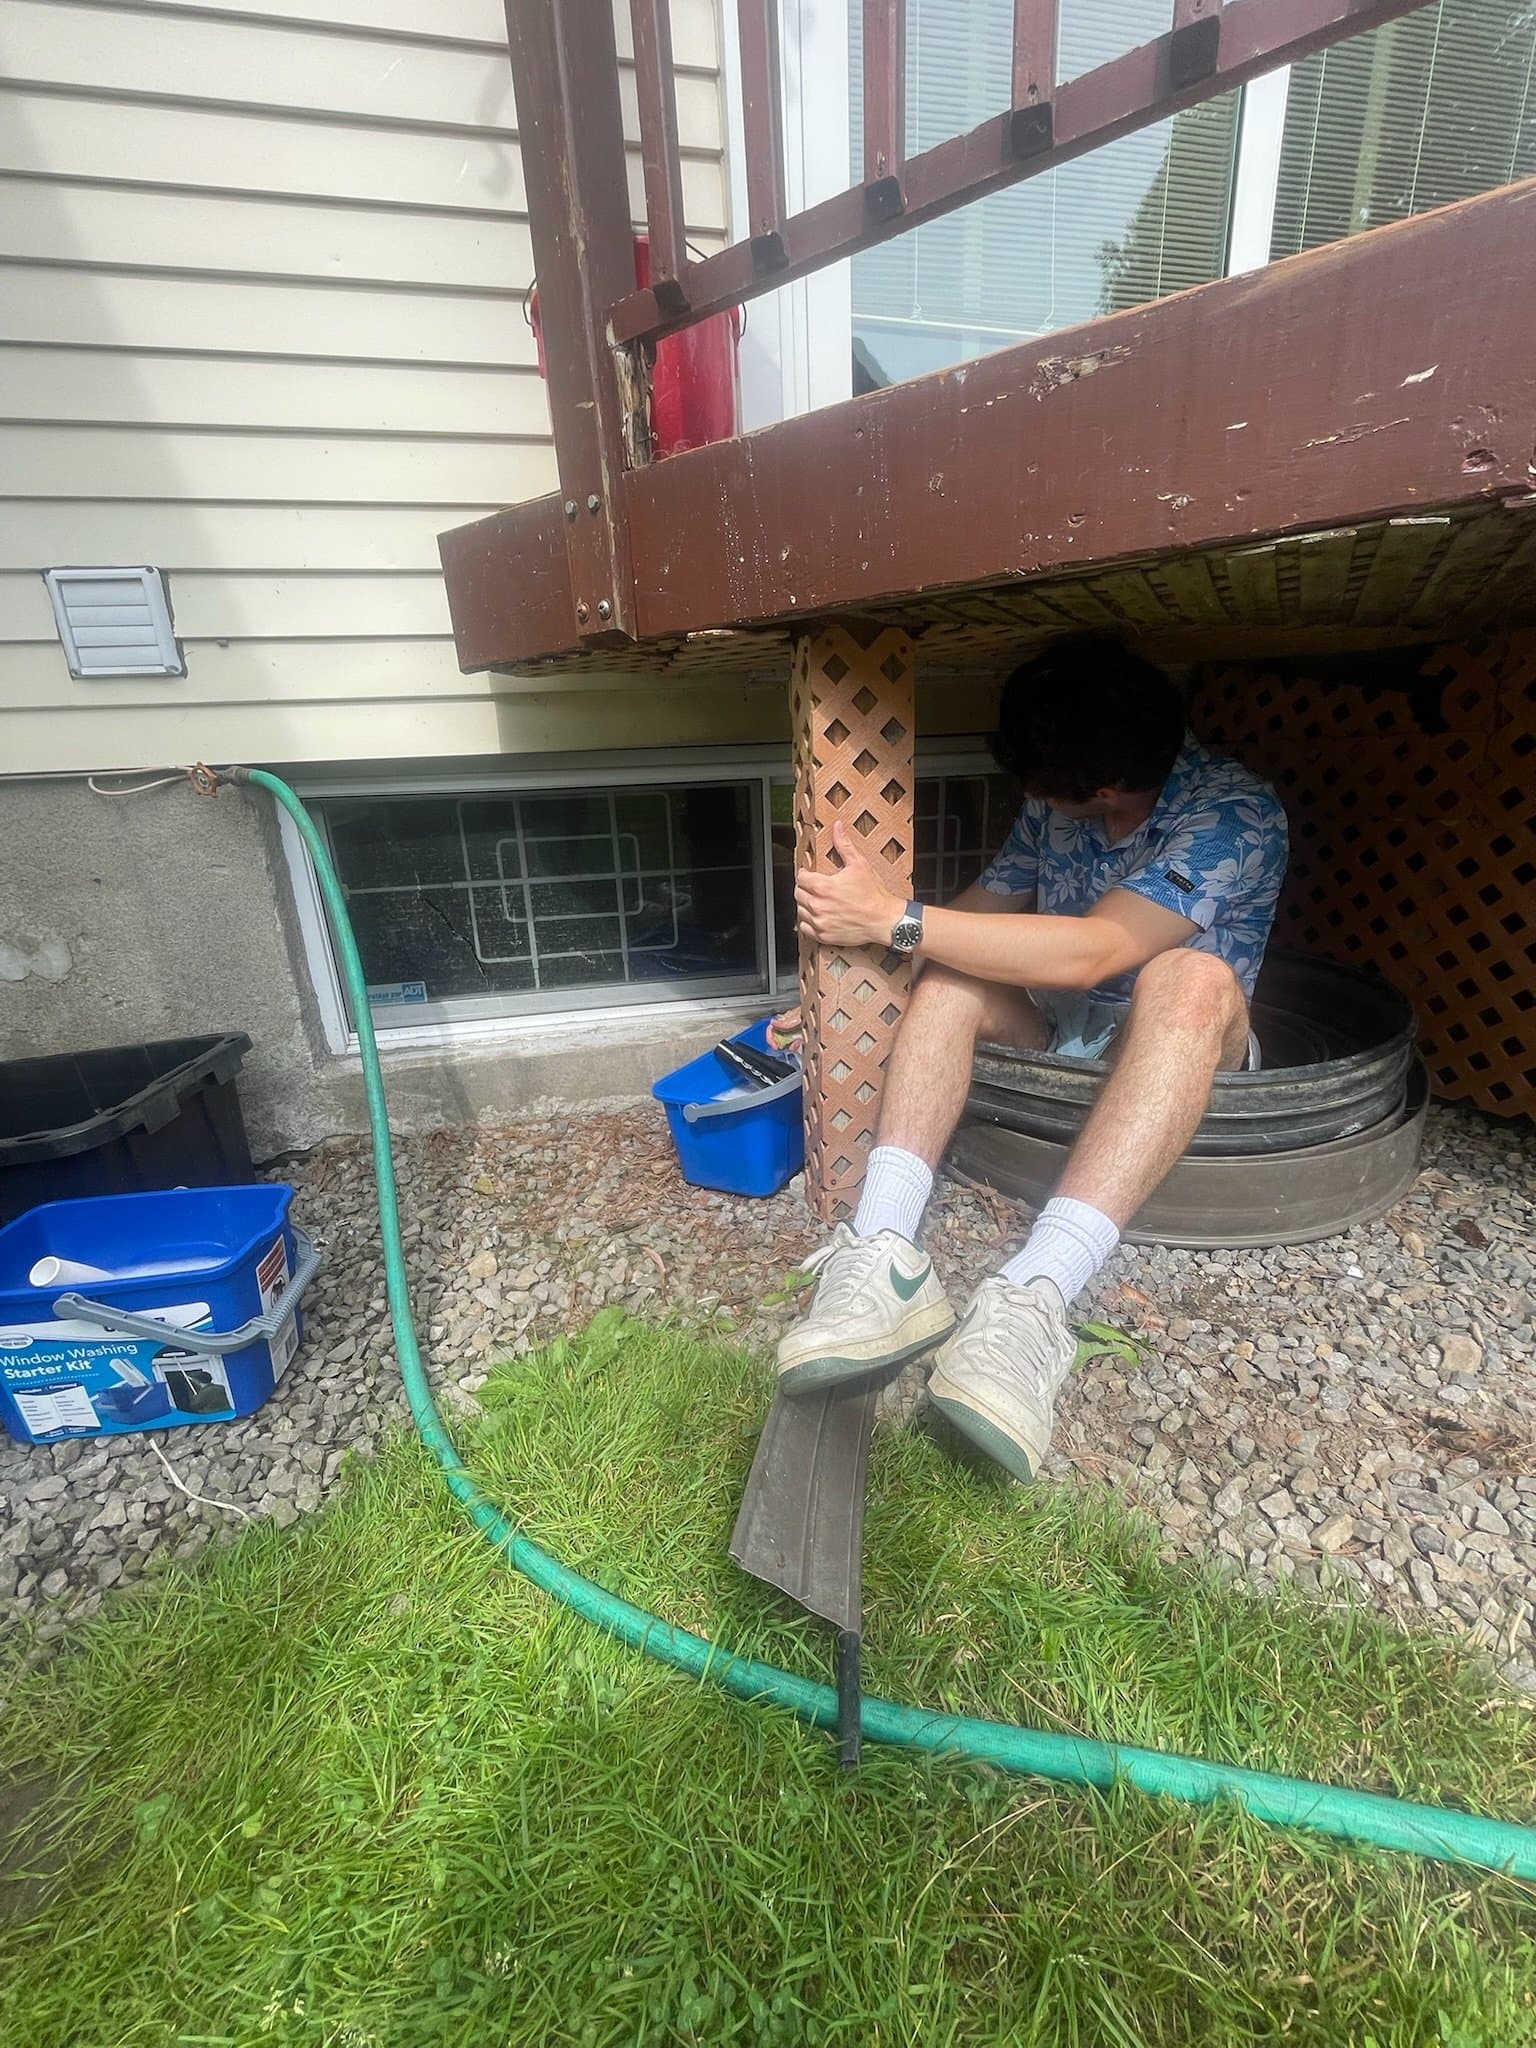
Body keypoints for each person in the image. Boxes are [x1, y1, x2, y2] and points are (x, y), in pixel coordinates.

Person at [774, 635, 1288, 1483]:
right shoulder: (1064, 802)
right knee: (951, 973)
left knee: (1188, 978)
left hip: (1180, 1039)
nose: (1028, 795)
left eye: (1043, 784)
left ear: (1107, 789)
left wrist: (892, 918)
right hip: (1066, 1027)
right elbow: (982, 911)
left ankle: (1035, 1299)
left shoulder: (1234, 816)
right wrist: (848, 985)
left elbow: (1097, 952)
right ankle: (884, 1254)